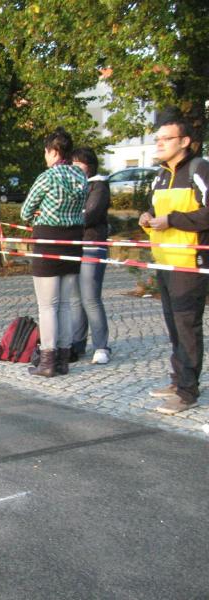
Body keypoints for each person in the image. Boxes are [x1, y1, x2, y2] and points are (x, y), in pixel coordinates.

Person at [139, 116, 209, 415]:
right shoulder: (160, 175)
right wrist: (147, 219)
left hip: (189, 261)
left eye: (166, 138)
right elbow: (155, 211)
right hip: (164, 260)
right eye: (157, 139)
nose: (159, 143)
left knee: (186, 326)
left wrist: (173, 220)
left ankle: (187, 392)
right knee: (173, 325)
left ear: (184, 142)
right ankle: (179, 379)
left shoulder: (199, 169)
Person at [21, 127, 87, 377]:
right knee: (66, 304)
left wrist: (39, 213)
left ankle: (47, 360)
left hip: (48, 240)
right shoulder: (80, 176)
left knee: (47, 305)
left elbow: (25, 211)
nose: (45, 156)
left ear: (55, 152)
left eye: (46, 152)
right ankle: (63, 358)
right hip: (74, 240)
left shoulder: (47, 177)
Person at [70, 147, 111, 365]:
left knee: (90, 298)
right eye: (73, 164)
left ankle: (101, 346)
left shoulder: (99, 186)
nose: (75, 168)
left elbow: (90, 215)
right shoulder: (76, 185)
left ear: (90, 166)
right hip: (75, 246)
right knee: (75, 299)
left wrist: (67, 218)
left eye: (79, 164)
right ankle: (77, 343)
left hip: (92, 246)